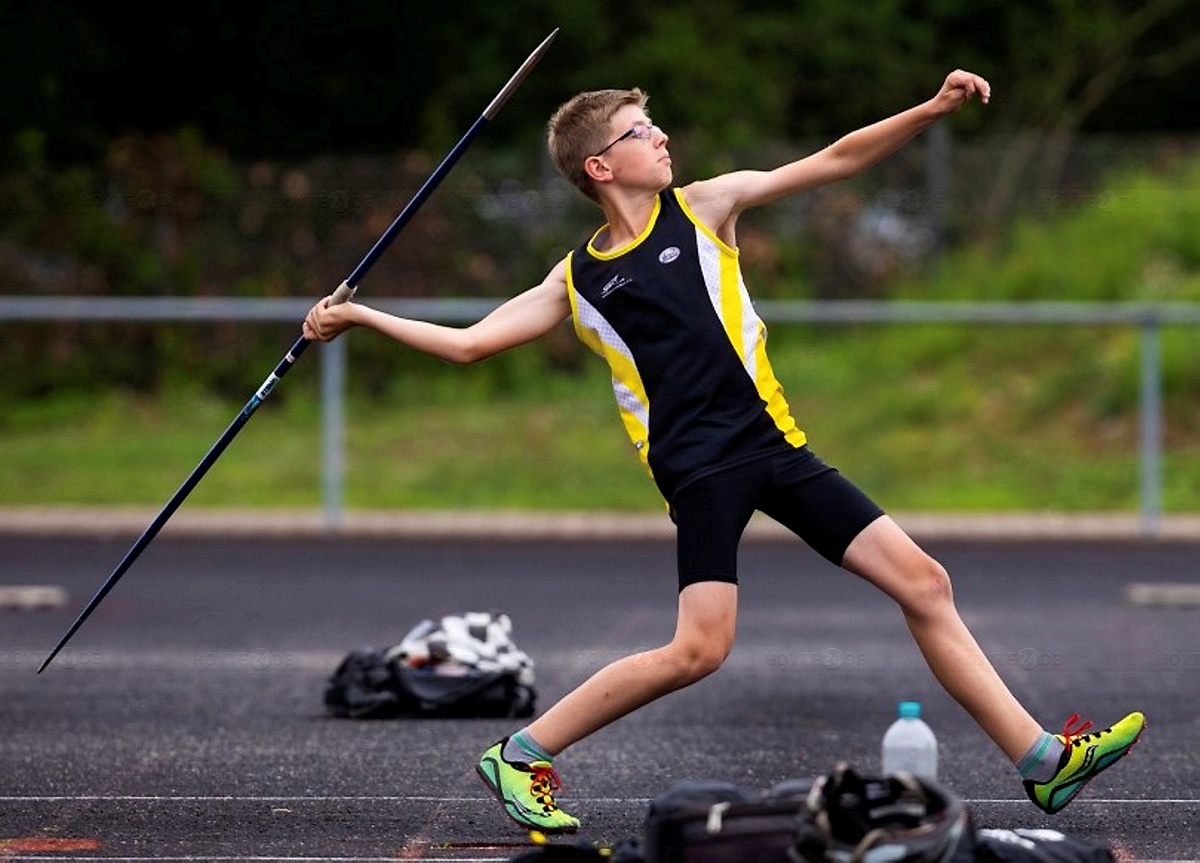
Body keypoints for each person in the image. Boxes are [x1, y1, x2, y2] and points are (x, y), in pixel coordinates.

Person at [303, 70, 1145, 834]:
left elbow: (838, 159)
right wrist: (361, 317)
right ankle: (521, 753)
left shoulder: (706, 207)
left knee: (925, 581)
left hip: (776, 446)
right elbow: (469, 344)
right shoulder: (576, 279)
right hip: (699, 468)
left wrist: (930, 109)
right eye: (640, 130)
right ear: (600, 166)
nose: (660, 136)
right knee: (700, 649)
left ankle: (1043, 762)